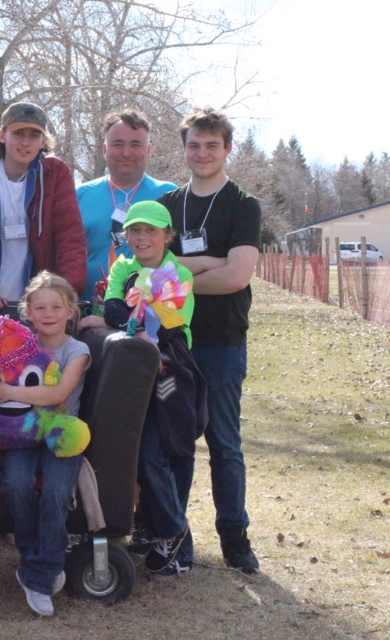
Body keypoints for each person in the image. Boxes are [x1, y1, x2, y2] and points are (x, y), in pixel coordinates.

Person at [159, 107, 261, 574]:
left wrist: (181, 274)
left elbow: (237, 277)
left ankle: (234, 536)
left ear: (227, 150)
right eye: (194, 145)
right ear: (184, 150)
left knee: (223, 442)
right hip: (176, 339)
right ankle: (174, 534)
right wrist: (206, 264)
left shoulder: (243, 204)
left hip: (222, 340)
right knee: (175, 440)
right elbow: (154, 271)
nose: (202, 153)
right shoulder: (169, 205)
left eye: (211, 145)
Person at [80, 200, 197, 576]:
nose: (142, 237)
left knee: (160, 449)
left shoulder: (178, 273)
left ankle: (177, 535)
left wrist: (122, 318)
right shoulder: (122, 266)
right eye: (135, 231)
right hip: (132, 366)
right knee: (133, 450)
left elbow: (163, 321)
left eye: (151, 230)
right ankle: (151, 528)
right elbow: (116, 307)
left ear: (168, 235)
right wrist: (122, 318)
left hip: (169, 369)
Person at [0, 271, 89, 617]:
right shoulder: (18, 346)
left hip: (60, 433)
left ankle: (41, 576)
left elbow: (58, 393)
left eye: (56, 307)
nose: (48, 314)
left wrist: (11, 392)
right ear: (27, 312)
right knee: (15, 484)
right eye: (40, 307)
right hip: (21, 431)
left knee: (57, 492)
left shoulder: (78, 350)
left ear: (70, 310)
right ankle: (35, 561)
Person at [0, 102, 86, 325]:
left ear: (43, 141)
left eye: (34, 135)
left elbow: (70, 237)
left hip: (38, 308)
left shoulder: (55, 173)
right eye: (18, 133)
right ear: (2, 135)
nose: (25, 142)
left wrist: (65, 291)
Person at [76, 109, 177, 304]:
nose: (126, 152)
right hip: (88, 311)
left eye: (135, 144)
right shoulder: (80, 195)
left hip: (150, 313)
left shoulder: (169, 195)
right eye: (118, 144)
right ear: (105, 150)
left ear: (148, 150)